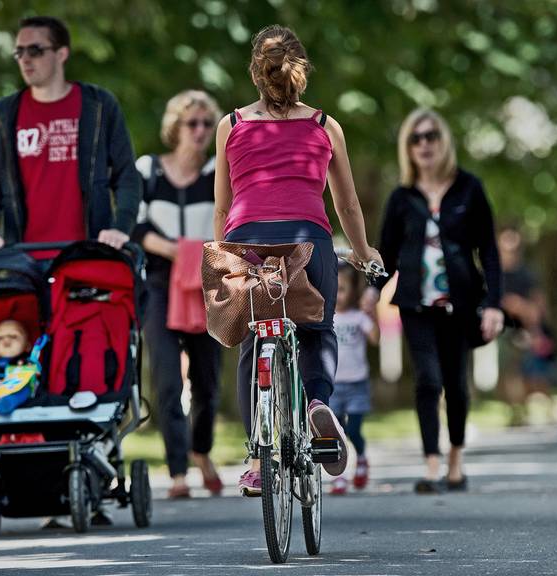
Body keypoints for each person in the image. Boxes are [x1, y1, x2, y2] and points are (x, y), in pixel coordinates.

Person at [212, 24, 383, 496]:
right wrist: (364, 252)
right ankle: (318, 405)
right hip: (309, 237)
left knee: (253, 338)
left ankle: (253, 457)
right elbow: (347, 205)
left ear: (255, 71)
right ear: (300, 71)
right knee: (316, 328)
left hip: (246, 239)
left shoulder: (231, 125)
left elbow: (224, 209)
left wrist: (223, 259)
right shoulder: (325, 126)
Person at [373, 108, 504, 494]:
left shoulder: (469, 188)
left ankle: (455, 461)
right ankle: (431, 463)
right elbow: (387, 254)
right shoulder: (401, 198)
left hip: (461, 304)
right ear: (407, 148)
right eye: (416, 138)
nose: (424, 144)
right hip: (416, 305)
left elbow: (490, 251)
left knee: (456, 384)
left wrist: (494, 304)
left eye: (431, 136)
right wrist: (369, 293)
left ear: (443, 141)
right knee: (428, 381)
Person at [0, 15, 140, 255]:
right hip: (23, 259)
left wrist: (121, 228)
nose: (26, 59)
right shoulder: (3, 115)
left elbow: (126, 176)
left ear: (62, 54)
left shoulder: (99, 105)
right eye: (19, 52)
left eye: (35, 50)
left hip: (88, 254)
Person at [132, 90, 224, 498]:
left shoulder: (218, 174)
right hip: (159, 283)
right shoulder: (148, 170)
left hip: (209, 282)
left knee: (207, 381)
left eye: (208, 123)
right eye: (193, 123)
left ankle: (201, 451)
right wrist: (175, 250)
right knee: (167, 378)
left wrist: (199, 255)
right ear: (176, 127)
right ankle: (177, 472)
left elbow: (230, 221)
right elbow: (133, 227)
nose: (201, 131)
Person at [497, 226, 556, 426]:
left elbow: (537, 301)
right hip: (503, 328)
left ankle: (547, 408)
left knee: (534, 371)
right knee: (509, 370)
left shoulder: (527, 273)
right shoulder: (494, 273)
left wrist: (538, 327)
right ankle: (516, 411)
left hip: (527, 328)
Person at [329, 264, 378, 496]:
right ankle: (339, 476)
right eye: (333, 289)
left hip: (357, 383)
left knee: (354, 430)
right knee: (335, 432)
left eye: (342, 289)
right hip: (333, 385)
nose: (337, 295)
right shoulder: (326, 318)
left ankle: (361, 459)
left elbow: (375, 338)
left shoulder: (358, 317)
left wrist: (372, 314)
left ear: (353, 290)